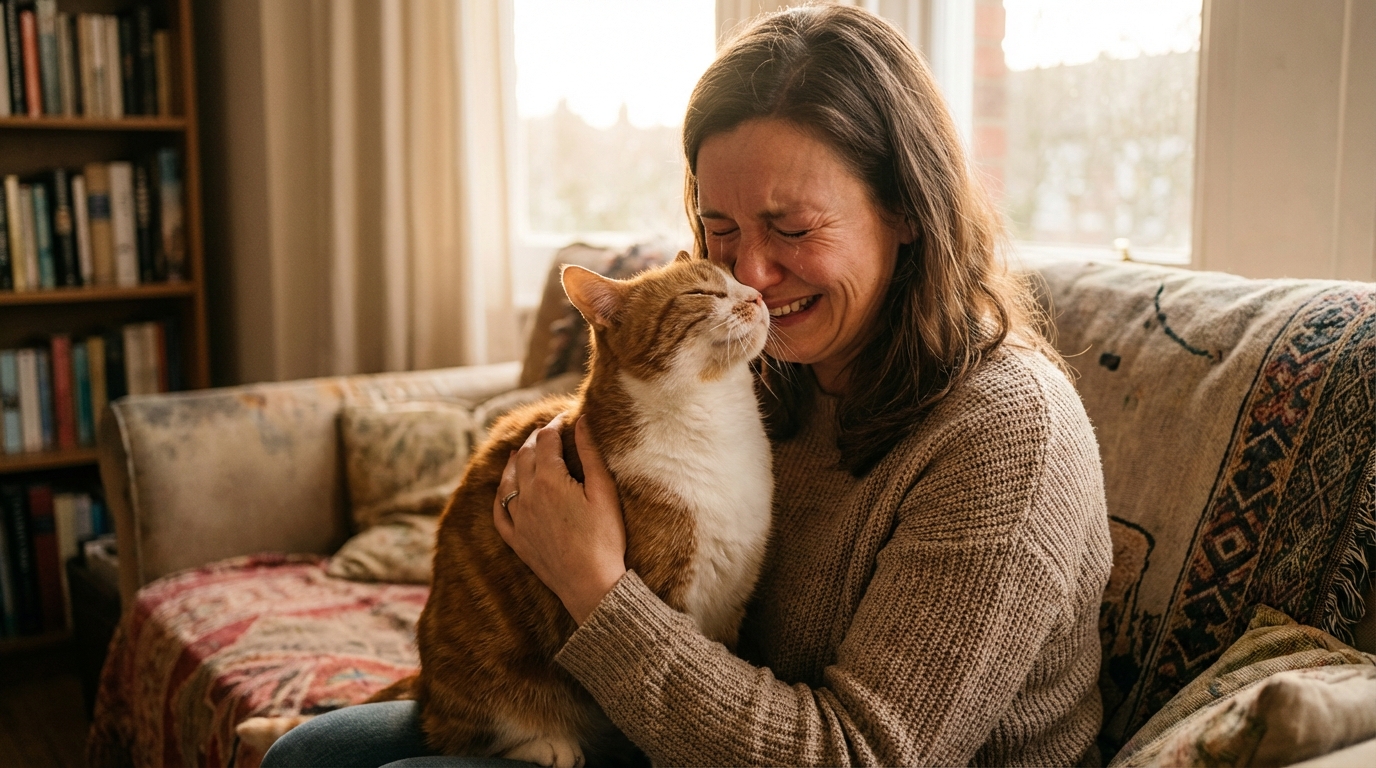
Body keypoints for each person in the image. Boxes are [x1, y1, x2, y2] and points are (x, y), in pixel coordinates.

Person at [264, 6, 1111, 767]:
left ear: (907, 209)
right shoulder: (777, 367)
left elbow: (859, 756)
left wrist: (596, 588)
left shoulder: (1008, 433)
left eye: (792, 228)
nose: (751, 274)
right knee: (308, 757)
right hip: (695, 723)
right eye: (719, 228)